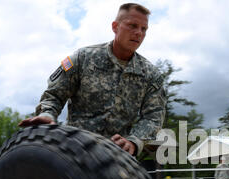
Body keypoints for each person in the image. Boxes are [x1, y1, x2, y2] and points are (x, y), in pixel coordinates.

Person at [19, 3, 166, 157]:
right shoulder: (83, 58)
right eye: (132, 25)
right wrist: (47, 115)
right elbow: (53, 96)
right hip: (74, 153)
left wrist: (134, 142)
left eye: (144, 29)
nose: (138, 33)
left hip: (119, 159)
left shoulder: (151, 75)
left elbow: (153, 117)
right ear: (115, 27)